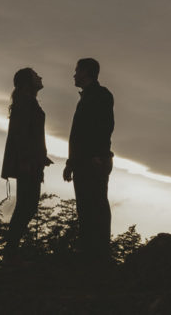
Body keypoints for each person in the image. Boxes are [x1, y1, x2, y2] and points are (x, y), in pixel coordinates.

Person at [63, 56, 114, 262]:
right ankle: (88, 253)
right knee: (85, 207)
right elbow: (77, 135)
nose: (74, 75)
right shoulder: (85, 98)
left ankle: (100, 254)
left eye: (77, 71)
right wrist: (70, 163)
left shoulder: (101, 95)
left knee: (97, 205)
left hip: (94, 160)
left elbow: (105, 127)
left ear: (86, 72)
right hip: (83, 161)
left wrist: (96, 155)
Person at [0, 67, 51, 261]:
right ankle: (10, 252)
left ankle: (11, 251)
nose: (40, 76)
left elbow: (27, 134)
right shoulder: (25, 102)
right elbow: (20, 135)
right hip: (28, 164)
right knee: (26, 207)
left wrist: (40, 156)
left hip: (31, 162)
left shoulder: (27, 101)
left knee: (27, 206)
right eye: (36, 75)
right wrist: (26, 160)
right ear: (28, 81)